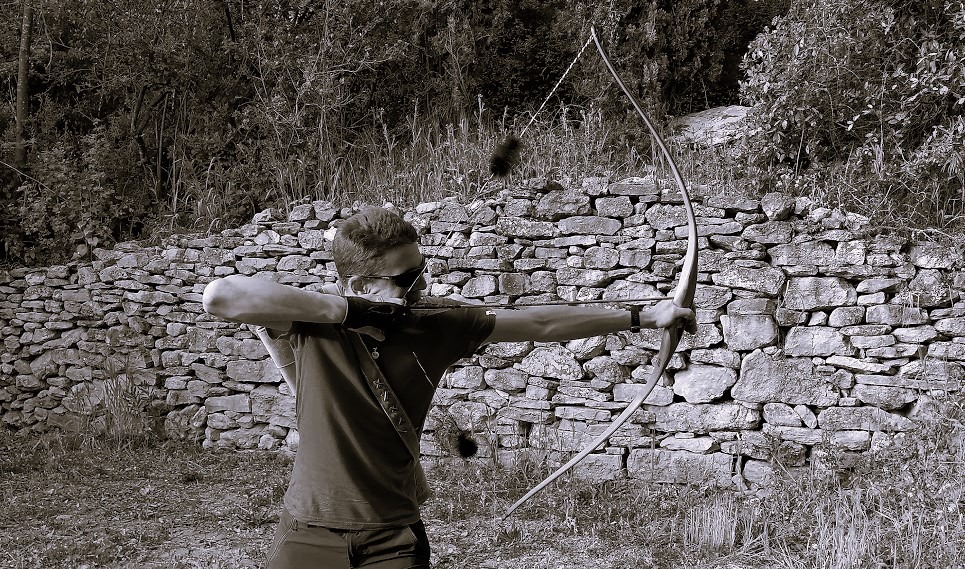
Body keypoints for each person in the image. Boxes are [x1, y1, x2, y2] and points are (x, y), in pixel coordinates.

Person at [201, 206, 694, 569]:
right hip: (306, 529)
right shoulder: (312, 324)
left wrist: (646, 315)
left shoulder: (435, 324)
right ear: (361, 284)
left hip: (392, 538)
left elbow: (539, 323)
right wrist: (347, 312)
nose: (421, 283)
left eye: (422, 269)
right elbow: (219, 295)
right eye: (407, 276)